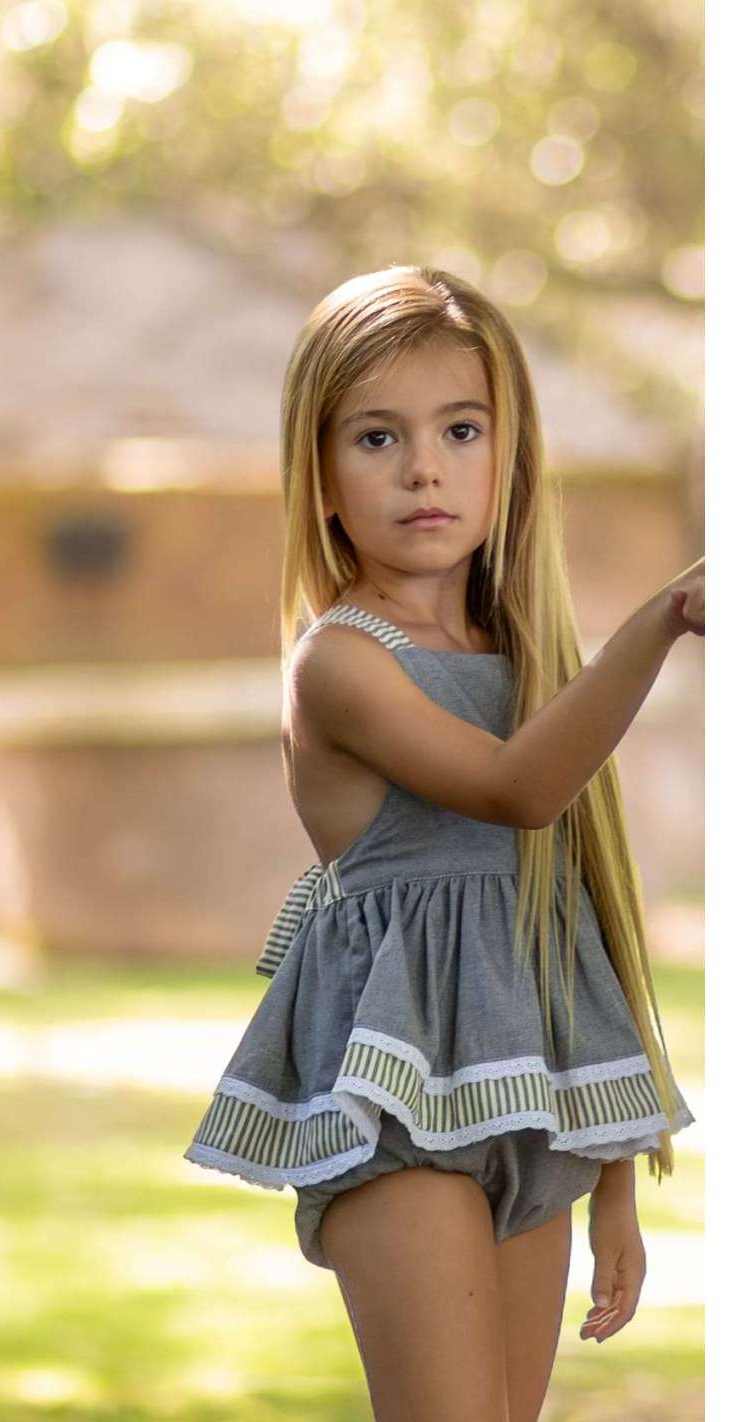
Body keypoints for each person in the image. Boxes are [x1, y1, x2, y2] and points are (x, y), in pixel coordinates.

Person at [182, 265, 702, 1422]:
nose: (423, 468)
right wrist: (663, 618)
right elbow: (518, 794)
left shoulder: (531, 669)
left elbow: (578, 919)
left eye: (459, 430)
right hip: (397, 1102)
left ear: (506, 455)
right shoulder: (339, 662)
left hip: (531, 1102)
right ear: (318, 476)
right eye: (376, 437)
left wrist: (614, 1180)